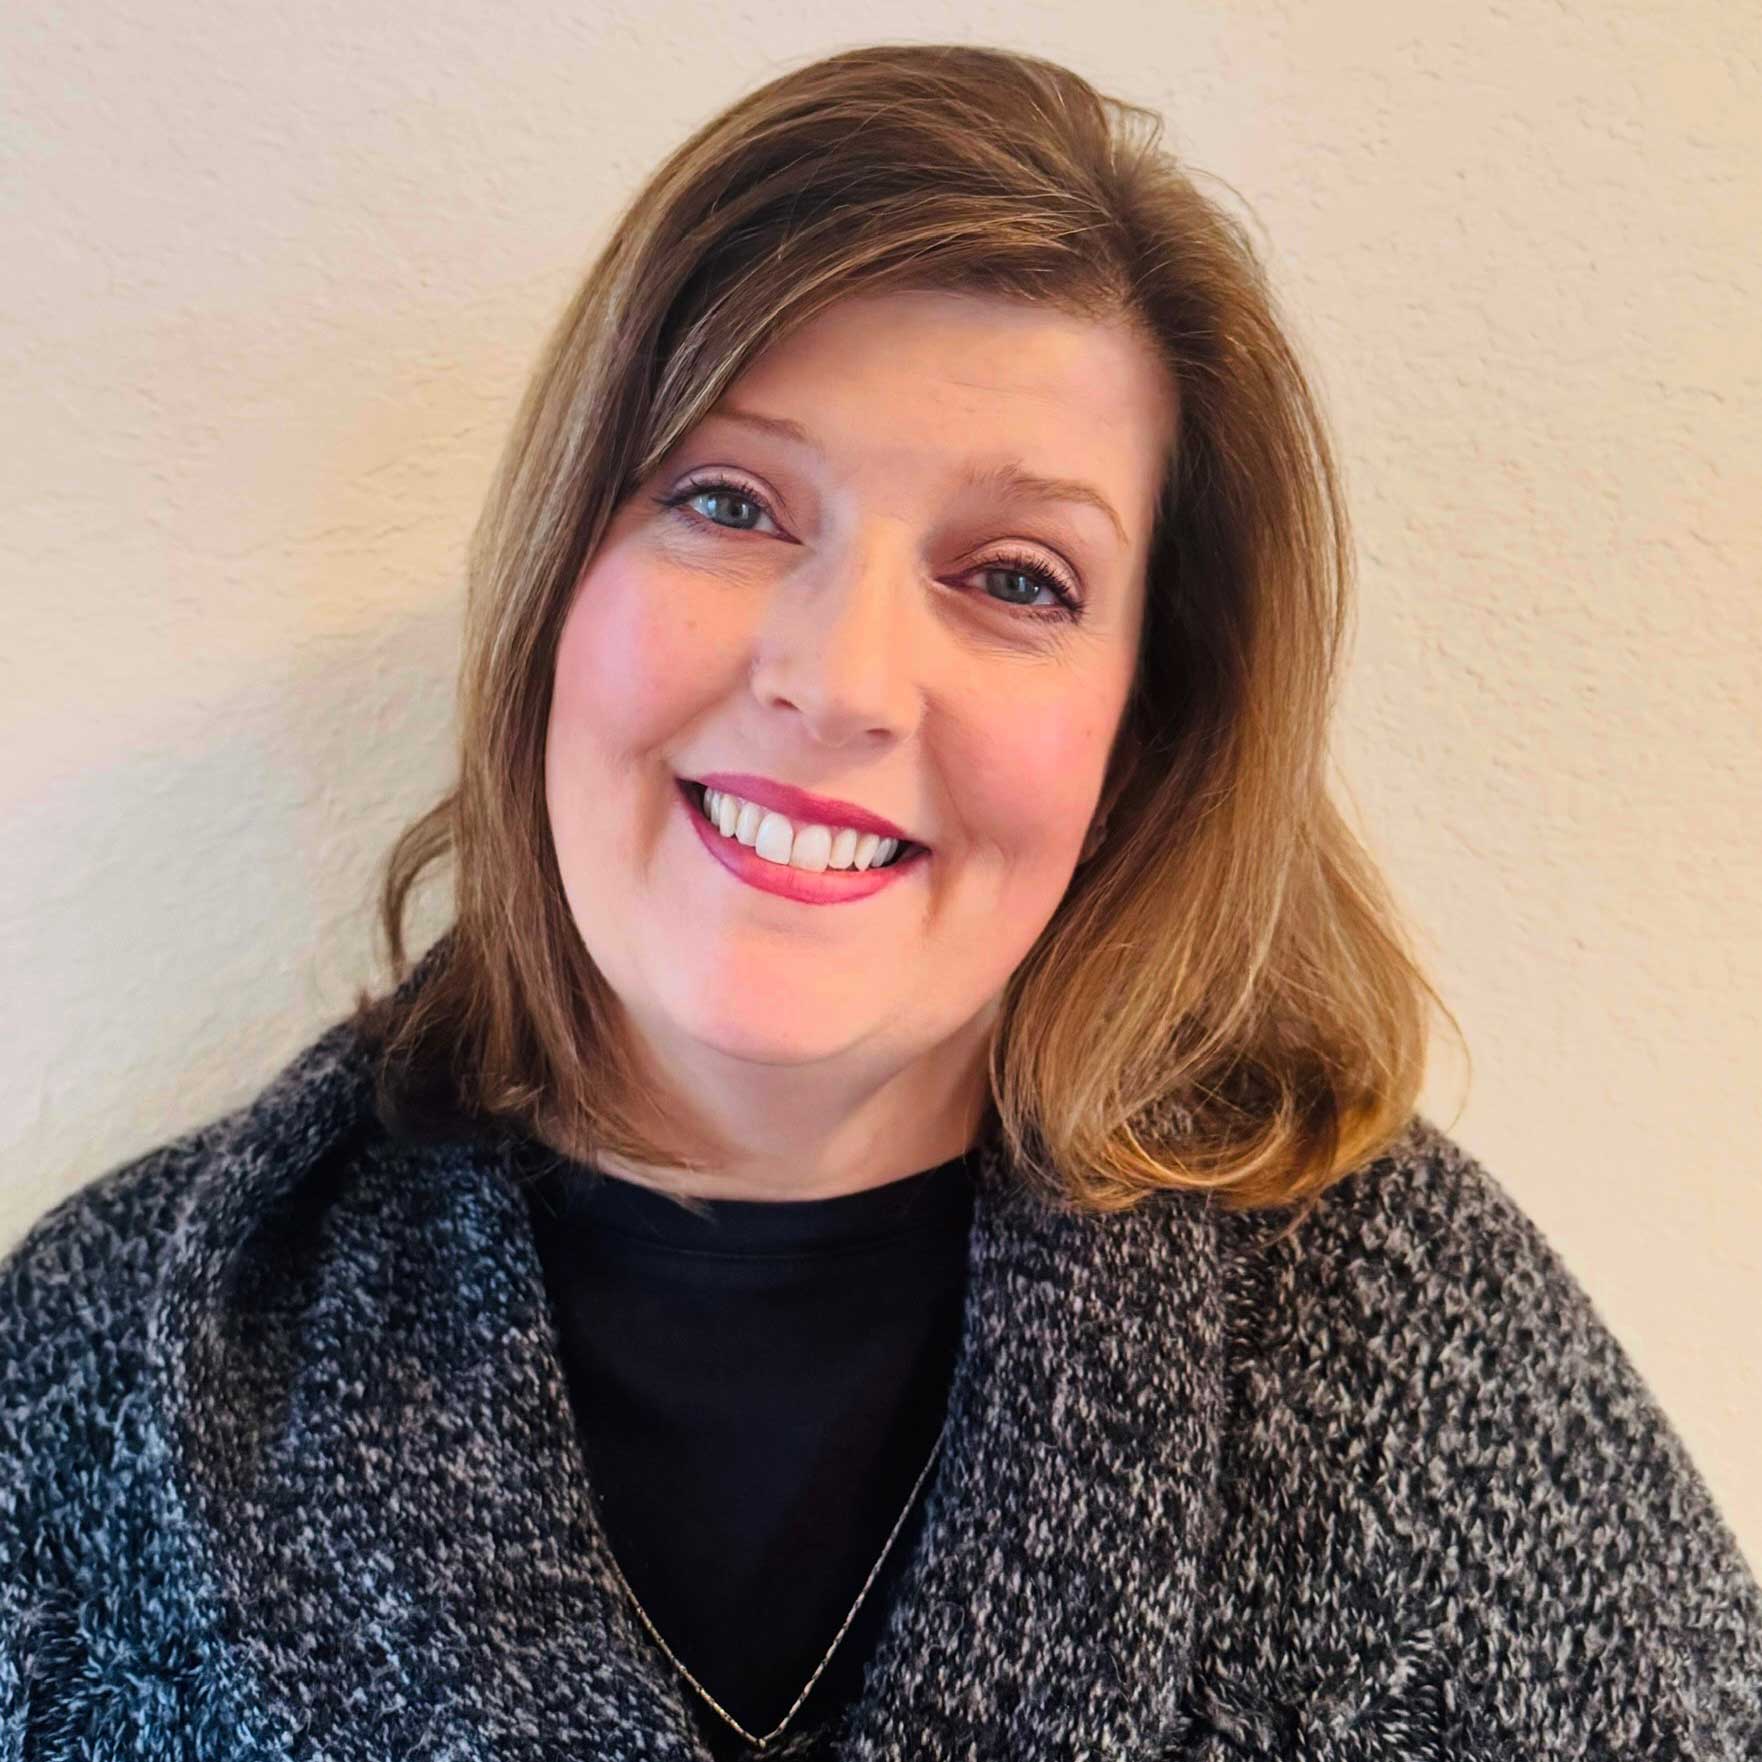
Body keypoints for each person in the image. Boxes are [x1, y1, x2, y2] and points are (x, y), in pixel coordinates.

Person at [3, 40, 1759, 1762]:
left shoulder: (1411, 1356)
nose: (839, 678)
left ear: (1146, 723)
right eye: (727, 500)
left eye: (1014, 577)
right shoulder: (102, 1376)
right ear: (555, 579)